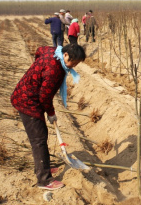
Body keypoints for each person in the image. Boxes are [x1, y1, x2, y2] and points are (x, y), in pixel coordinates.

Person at [10, 44, 86, 190]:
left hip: (27, 95)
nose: (73, 66)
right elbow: (44, 97)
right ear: (65, 55)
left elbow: (39, 49)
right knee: (38, 139)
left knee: (41, 135)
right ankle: (44, 180)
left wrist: (37, 68)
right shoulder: (54, 70)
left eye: (77, 64)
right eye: (73, 62)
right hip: (27, 101)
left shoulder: (53, 51)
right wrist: (51, 113)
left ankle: (42, 167)